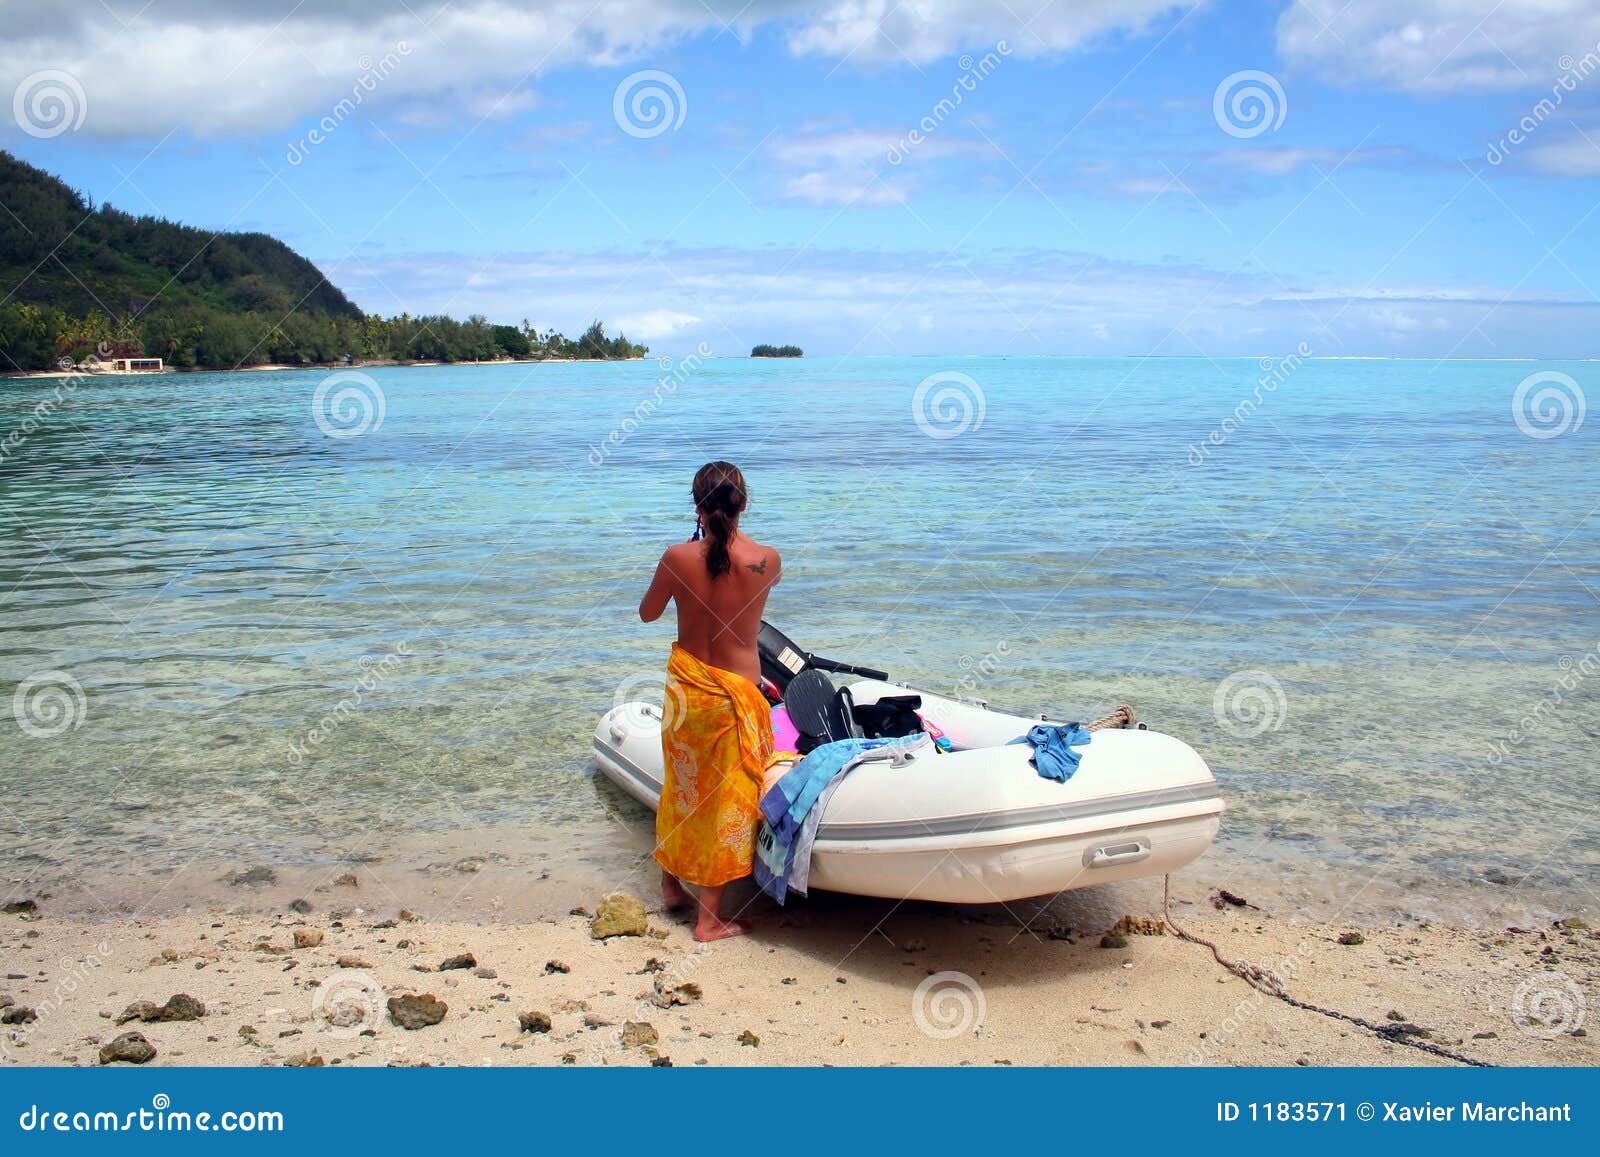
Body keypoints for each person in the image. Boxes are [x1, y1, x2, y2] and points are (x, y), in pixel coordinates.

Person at [638, 461, 782, 941]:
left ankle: (672, 888)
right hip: (736, 695)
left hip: (687, 693)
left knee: (681, 789)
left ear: (697, 506)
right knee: (728, 802)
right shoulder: (767, 560)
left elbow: (647, 614)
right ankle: (709, 920)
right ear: (744, 503)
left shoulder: (677, 557)